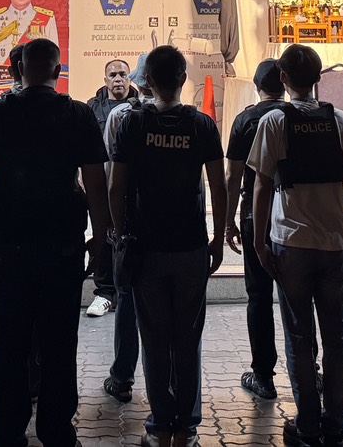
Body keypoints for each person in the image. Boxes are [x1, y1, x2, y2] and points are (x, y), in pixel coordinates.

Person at [0, 37, 110, 447]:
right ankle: (57, 431)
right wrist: (100, 237)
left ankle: (8, 432)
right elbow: (96, 184)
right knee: (59, 343)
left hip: (8, 248)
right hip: (62, 248)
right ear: (58, 71)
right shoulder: (78, 115)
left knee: (9, 344)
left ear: (19, 69)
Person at [249, 44, 343, 447]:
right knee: (337, 341)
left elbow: (262, 185)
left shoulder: (275, 120)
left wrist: (259, 241)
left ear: (283, 79)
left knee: (300, 340)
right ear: (319, 79)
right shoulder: (340, 120)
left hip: (291, 245)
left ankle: (308, 427)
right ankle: (336, 426)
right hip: (334, 244)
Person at [108, 45, 226, 447]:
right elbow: (219, 186)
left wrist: (120, 234)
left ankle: (160, 425)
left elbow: (116, 186)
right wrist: (217, 237)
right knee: (187, 339)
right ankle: (186, 427)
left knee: (154, 337)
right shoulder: (202, 125)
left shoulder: (133, 124)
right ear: (183, 80)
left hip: (147, 247)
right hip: (191, 246)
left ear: (148, 81)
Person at [222, 58, 286, 402]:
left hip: (254, 215)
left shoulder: (246, 119)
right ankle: (310, 370)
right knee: (297, 296)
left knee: (259, 296)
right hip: (293, 213)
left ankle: (263, 376)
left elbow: (233, 176)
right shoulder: (298, 115)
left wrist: (227, 220)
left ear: (257, 87)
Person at [88, 57, 140, 317]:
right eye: (113, 75)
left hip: (133, 186)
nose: (118, 79)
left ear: (130, 78)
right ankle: (105, 293)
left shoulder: (141, 107)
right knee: (103, 236)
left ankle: (129, 291)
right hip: (100, 183)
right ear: (105, 80)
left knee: (130, 237)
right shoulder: (92, 108)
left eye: (123, 74)